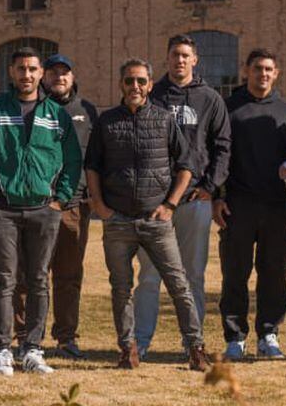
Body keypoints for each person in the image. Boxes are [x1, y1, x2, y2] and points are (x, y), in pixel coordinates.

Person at [0, 47, 83, 377]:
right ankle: (2, 349)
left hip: (44, 210)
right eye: (20, 69)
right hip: (1, 210)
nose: (26, 75)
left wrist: (61, 198)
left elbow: (73, 160)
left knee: (39, 279)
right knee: (5, 280)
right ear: (11, 72)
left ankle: (32, 349)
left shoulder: (56, 114)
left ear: (40, 73)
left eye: (32, 69)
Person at [86, 58, 212, 372]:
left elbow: (186, 166)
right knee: (121, 288)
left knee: (179, 285)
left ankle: (196, 348)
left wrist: (170, 204)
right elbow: (92, 167)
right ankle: (128, 349)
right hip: (118, 221)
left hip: (156, 221)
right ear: (121, 85)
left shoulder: (165, 120)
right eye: (129, 81)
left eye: (141, 81)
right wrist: (99, 206)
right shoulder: (107, 122)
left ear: (150, 85)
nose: (135, 87)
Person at [133, 34, 230, 356]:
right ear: (167, 58)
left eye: (185, 55)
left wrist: (210, 187)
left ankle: (193, 343)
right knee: (148, 275)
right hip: (154, 202)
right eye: (175, 55)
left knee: (192, 275)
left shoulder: (209, 98)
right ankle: (141, 342)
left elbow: (222, 146)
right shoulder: (153, 95)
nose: (180, 60)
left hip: (193, 201)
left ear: (195, 59)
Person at [214, 48, 286, 359]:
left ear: (276, 74)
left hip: (277, 206)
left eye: (268, 69)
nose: (263, 74)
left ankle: (269, 333)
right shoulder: (229, 109)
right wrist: (217, 197)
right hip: (238, 205)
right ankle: (235, 337)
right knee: (235, 273)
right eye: (257, 69)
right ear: (246, 71)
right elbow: (218, 157)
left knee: (274, 272)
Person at [13, 54, 98, 358]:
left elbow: (95, 157)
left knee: (68, 275)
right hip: (35, 205)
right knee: (28, 275)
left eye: (65, 73)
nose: (59, 78)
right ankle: (23, 335)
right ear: (43, 78)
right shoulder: (31, 108)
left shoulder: (86, 111)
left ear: (73, 77)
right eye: (53, 73)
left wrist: (89, 193)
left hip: (73, 207)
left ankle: (66, 337)